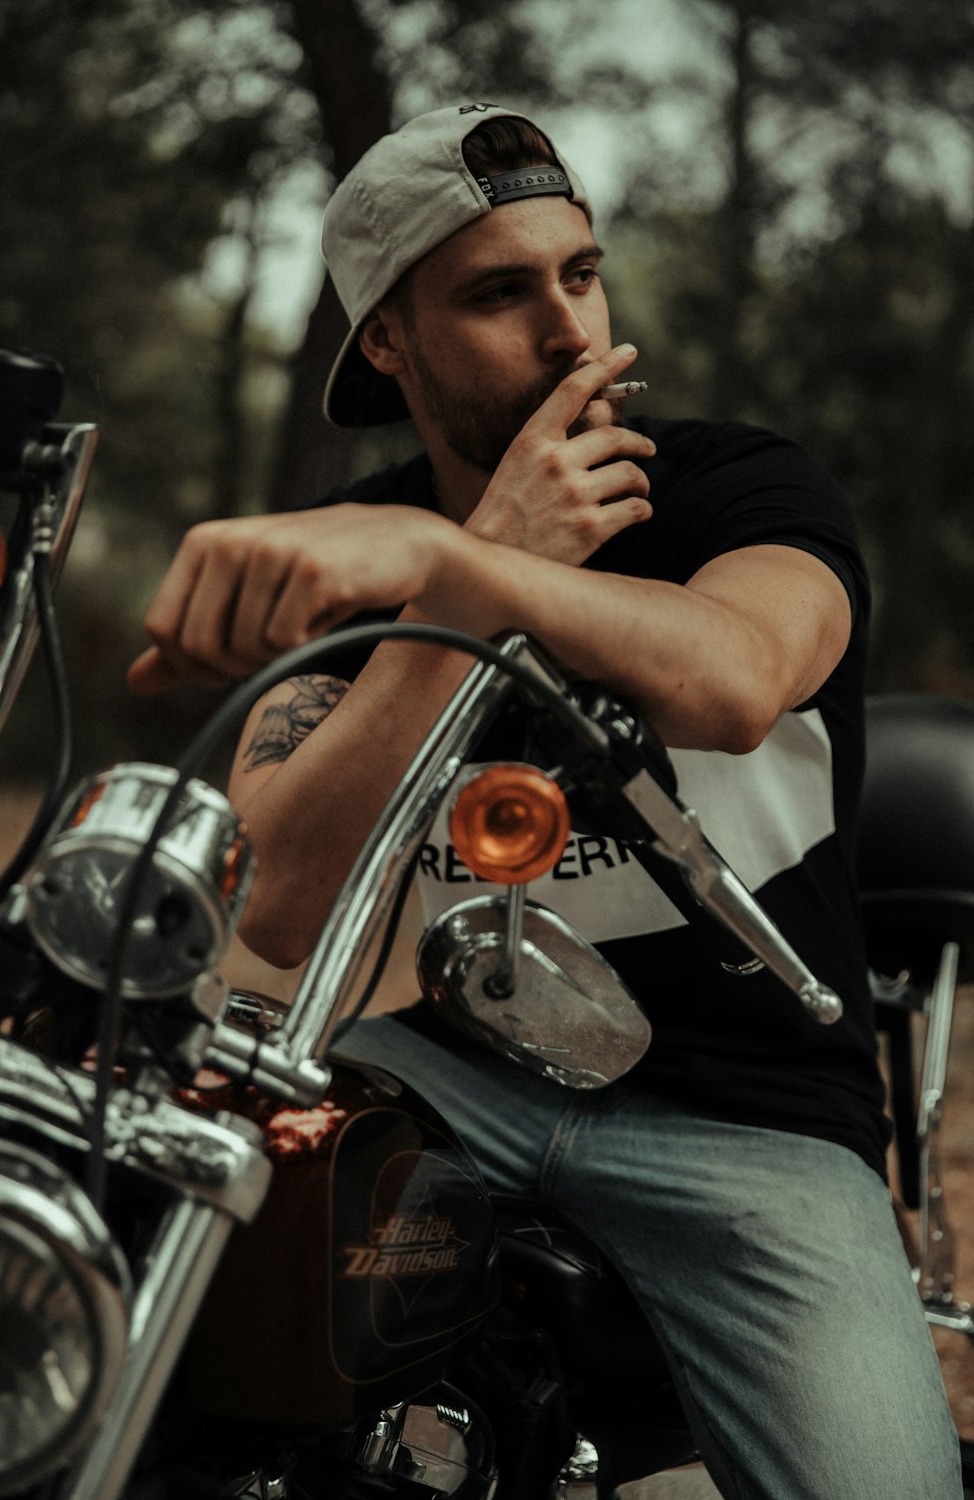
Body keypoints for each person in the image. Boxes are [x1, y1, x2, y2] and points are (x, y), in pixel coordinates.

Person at [129, 104, 962, 1498]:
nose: (573, 329)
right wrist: (462, 563)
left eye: (581, 272)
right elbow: (277, 890)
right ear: (386, 341)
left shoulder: (739, 489)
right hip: (446, 1085)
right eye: (500, 293)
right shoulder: (368, 558)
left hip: (748, 1122)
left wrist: (456, 567)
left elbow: (740, 674)